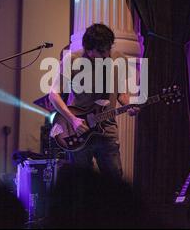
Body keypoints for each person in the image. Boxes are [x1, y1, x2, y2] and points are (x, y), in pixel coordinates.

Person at [48, 23, 139, 180]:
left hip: (107, 129)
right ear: (89, 51)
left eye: (109, 48)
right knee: (81, 183)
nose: (107, 54)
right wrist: (73, 120)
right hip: (78, 130)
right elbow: (53, 95)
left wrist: (129, 105)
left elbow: (121, 93)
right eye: (102, 51)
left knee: (114, 180)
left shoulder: (119, 60)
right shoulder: (72, 60)